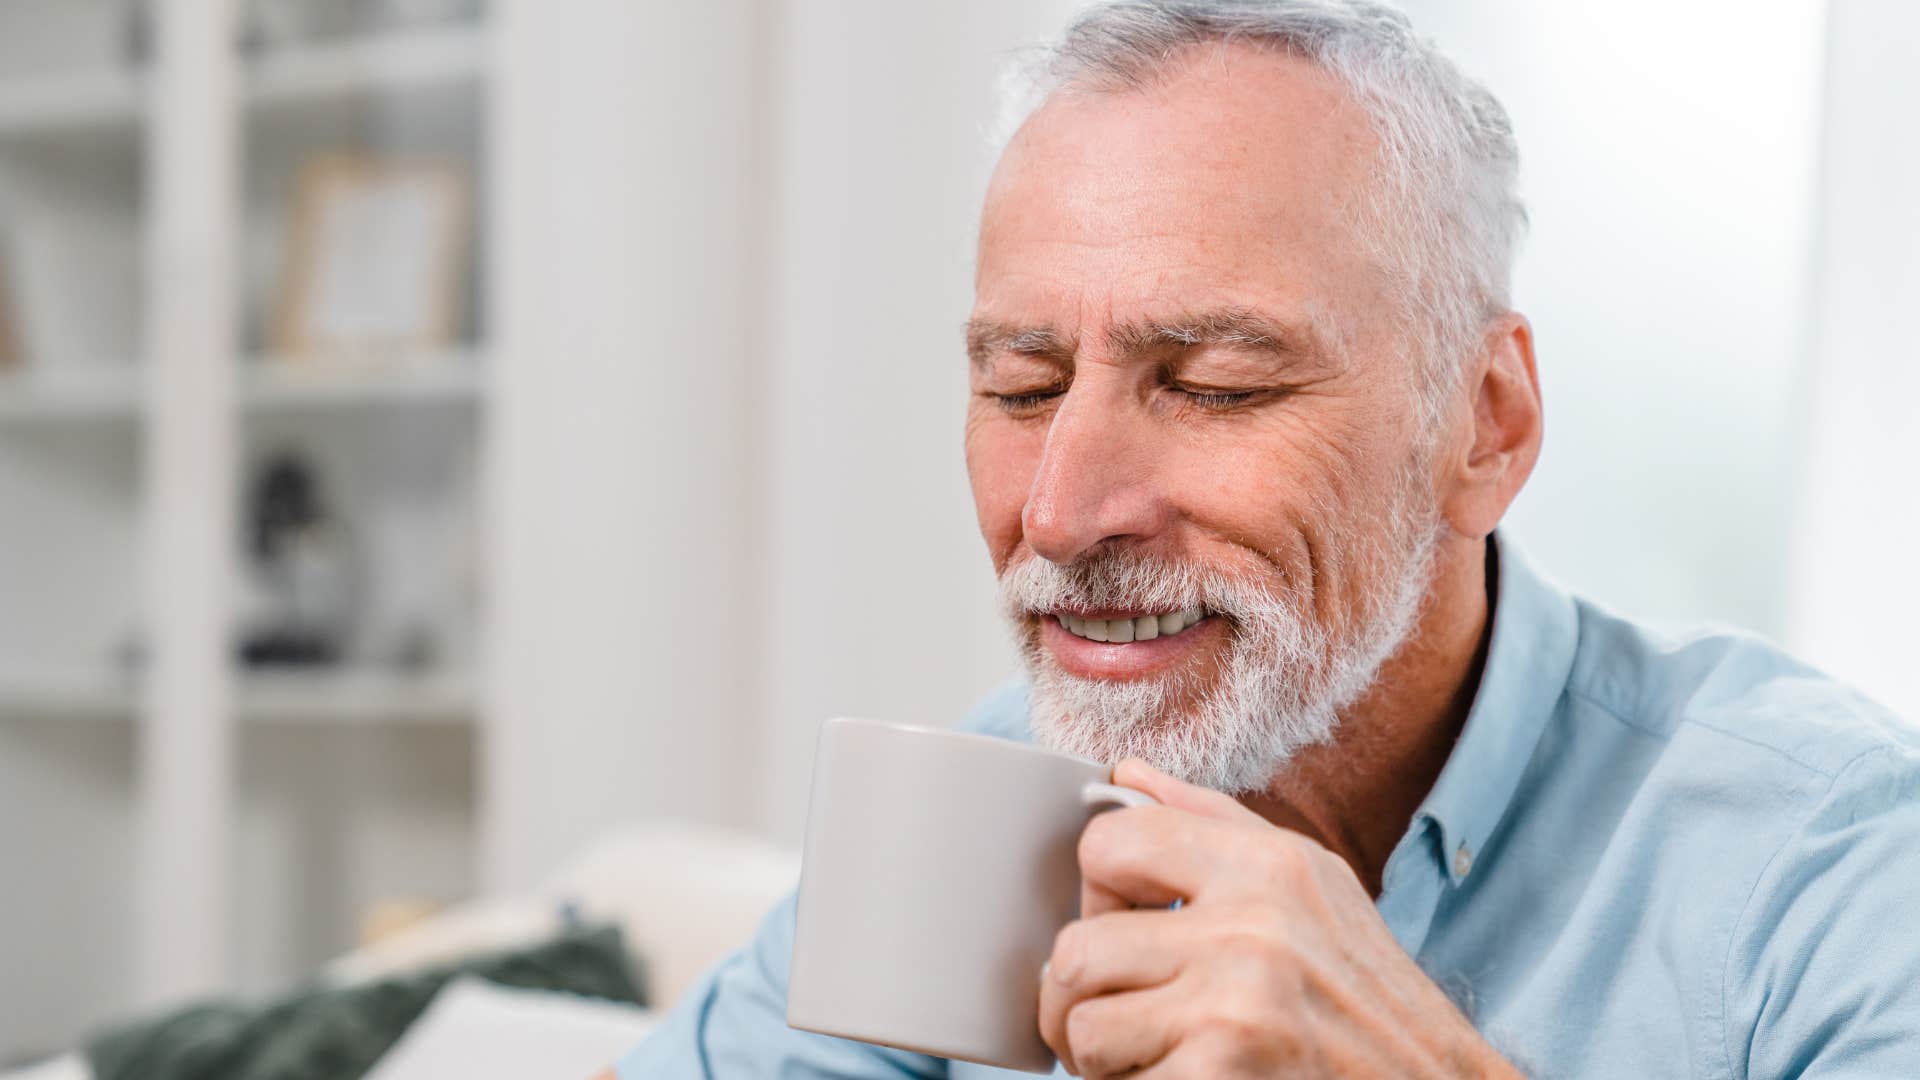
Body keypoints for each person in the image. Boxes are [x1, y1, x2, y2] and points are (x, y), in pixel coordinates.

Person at [609, 1, 1920, 1076]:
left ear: (1487, 426)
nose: (1061, 514)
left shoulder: (1831, 860)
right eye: (1021, 385)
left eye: (1218, 385)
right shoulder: (987, 807)